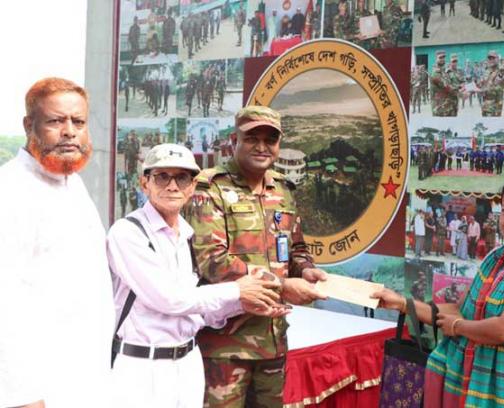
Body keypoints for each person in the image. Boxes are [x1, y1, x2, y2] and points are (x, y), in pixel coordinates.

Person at [108, 144, 288, 408]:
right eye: (162, 176)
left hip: (189, 363)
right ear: (144, 183)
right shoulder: (127, 233)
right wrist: (238, 291)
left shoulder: (188, 235)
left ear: (192, 187)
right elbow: (170, 300)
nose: (172, 186)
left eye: (181, 178)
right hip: (142, 368)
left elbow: (198, 310)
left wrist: (244, 304)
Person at [373, 174, 504, 407]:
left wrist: (458, 328)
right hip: (473, 379)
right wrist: (401, 303)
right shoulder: (497, 258)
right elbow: (461, 310)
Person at [186, 106, 329, 408]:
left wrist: (305, 271)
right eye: (253, 138)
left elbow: (297, 249)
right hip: (225, 344)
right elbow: (212, 261)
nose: (262, 147)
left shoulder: (284, 190)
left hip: (273, 340)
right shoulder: (210, 188)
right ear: (233, 140)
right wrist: (283, 286)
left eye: (270, 139)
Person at [0, 78, 114, 407]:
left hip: (85, 379)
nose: (69, 131)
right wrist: (22, 396)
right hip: (37, 392)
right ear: (29, 125)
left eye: (78, 121)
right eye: (55, 120)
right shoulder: (11, 190)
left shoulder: (72, 185)